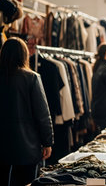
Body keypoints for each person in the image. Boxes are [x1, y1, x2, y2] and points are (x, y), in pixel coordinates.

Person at [0, 37, 53, 186]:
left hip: (2, 144)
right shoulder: (31, 78)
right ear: (24, 54)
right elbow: (42, 114)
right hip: (27, 144)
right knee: (27, 182)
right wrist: (47, 142)